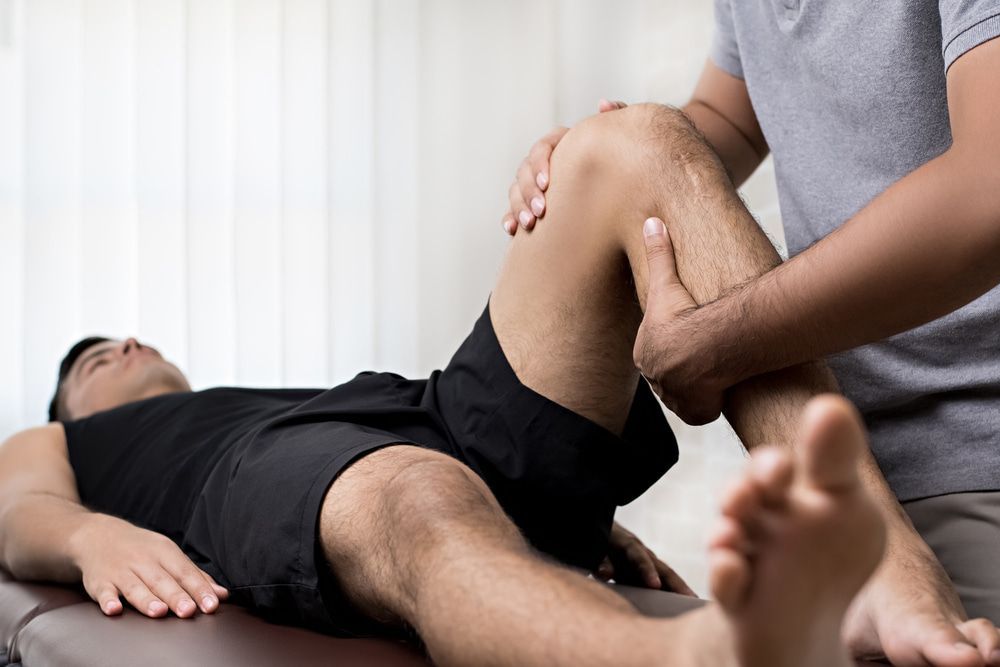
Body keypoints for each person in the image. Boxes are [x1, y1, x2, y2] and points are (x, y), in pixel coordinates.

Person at [0, 103, 932, 666]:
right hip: (315, 471)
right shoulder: (74, 443)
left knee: (632, 143)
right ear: (72, 407)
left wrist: (548, 515)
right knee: (416, 491)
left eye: (128, 338)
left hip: (426, 407)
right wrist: (88, 536)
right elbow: (16, 510)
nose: (123, 346)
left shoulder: (249, 400)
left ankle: (885, 571)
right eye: (93, 360)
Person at [505, 2, 1000, 663]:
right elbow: (728, 116)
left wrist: (722, 341)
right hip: (839, 474)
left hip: (972, 463)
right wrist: (613, 157)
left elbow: (990, 190)